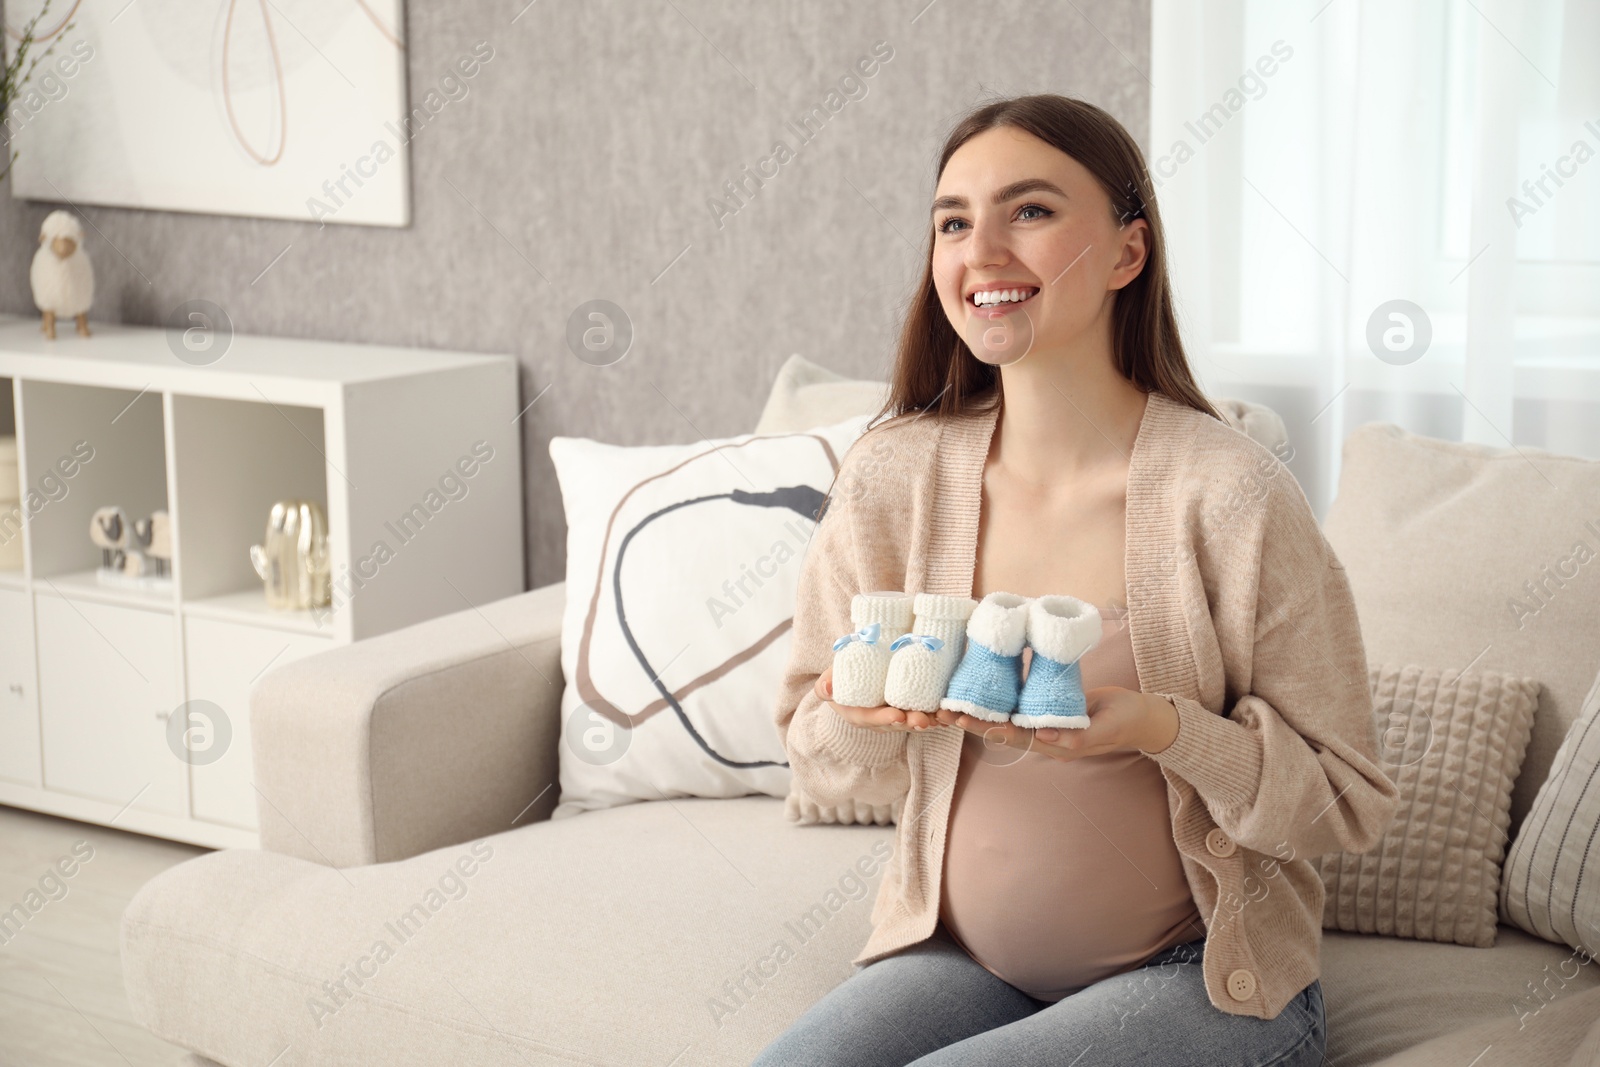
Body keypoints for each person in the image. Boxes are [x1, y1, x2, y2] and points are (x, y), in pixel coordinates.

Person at [756, 94, 1401, 1066]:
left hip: (1202, 981)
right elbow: (817, 756)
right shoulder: (893, 477)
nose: (981, 251)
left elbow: (1340, 803)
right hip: (963, 961)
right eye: (953, 221)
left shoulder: (1229, 493)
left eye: (1030, 210)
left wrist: (1159, 726)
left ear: (1126, 253)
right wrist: (867, 707)